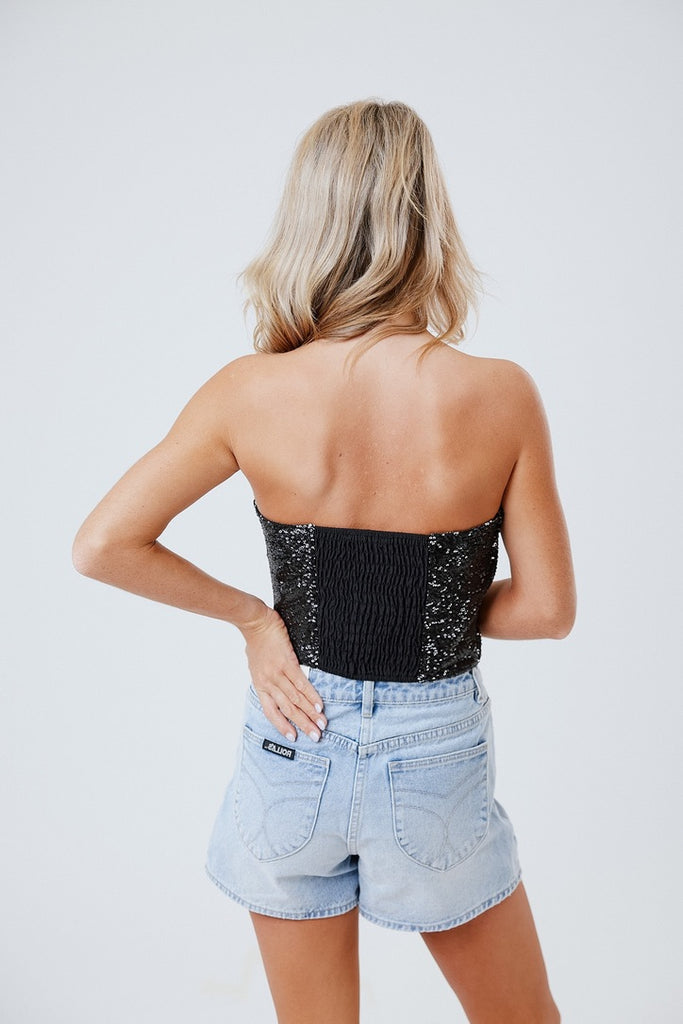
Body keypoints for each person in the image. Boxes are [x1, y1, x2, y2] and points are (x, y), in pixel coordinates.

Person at [72, 99, 575, 1024]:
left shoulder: (248, 391)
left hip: (292, 734)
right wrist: (429, 607)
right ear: (427, 220)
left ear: (306, 221)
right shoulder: (498, 394)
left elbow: (103, 544)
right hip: (434, 750)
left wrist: (255, 620)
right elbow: (546, 609)